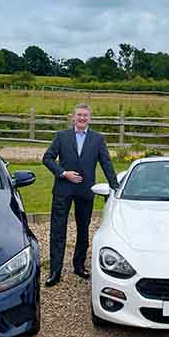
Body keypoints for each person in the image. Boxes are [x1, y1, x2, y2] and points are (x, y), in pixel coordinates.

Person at [42, 103, 119, 287]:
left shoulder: (98, 139)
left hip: (86, 191)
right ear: (73, 117)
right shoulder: (61, 137)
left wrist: (115, 186)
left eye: (85, 115)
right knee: (58, 230)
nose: (82, 118)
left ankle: (79, 265)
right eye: (79, 115)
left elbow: (106, 163)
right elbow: (47, 158)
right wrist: (63, 173)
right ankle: (55, 271)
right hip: (63, 189)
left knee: (83, 229)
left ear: (90, 118)